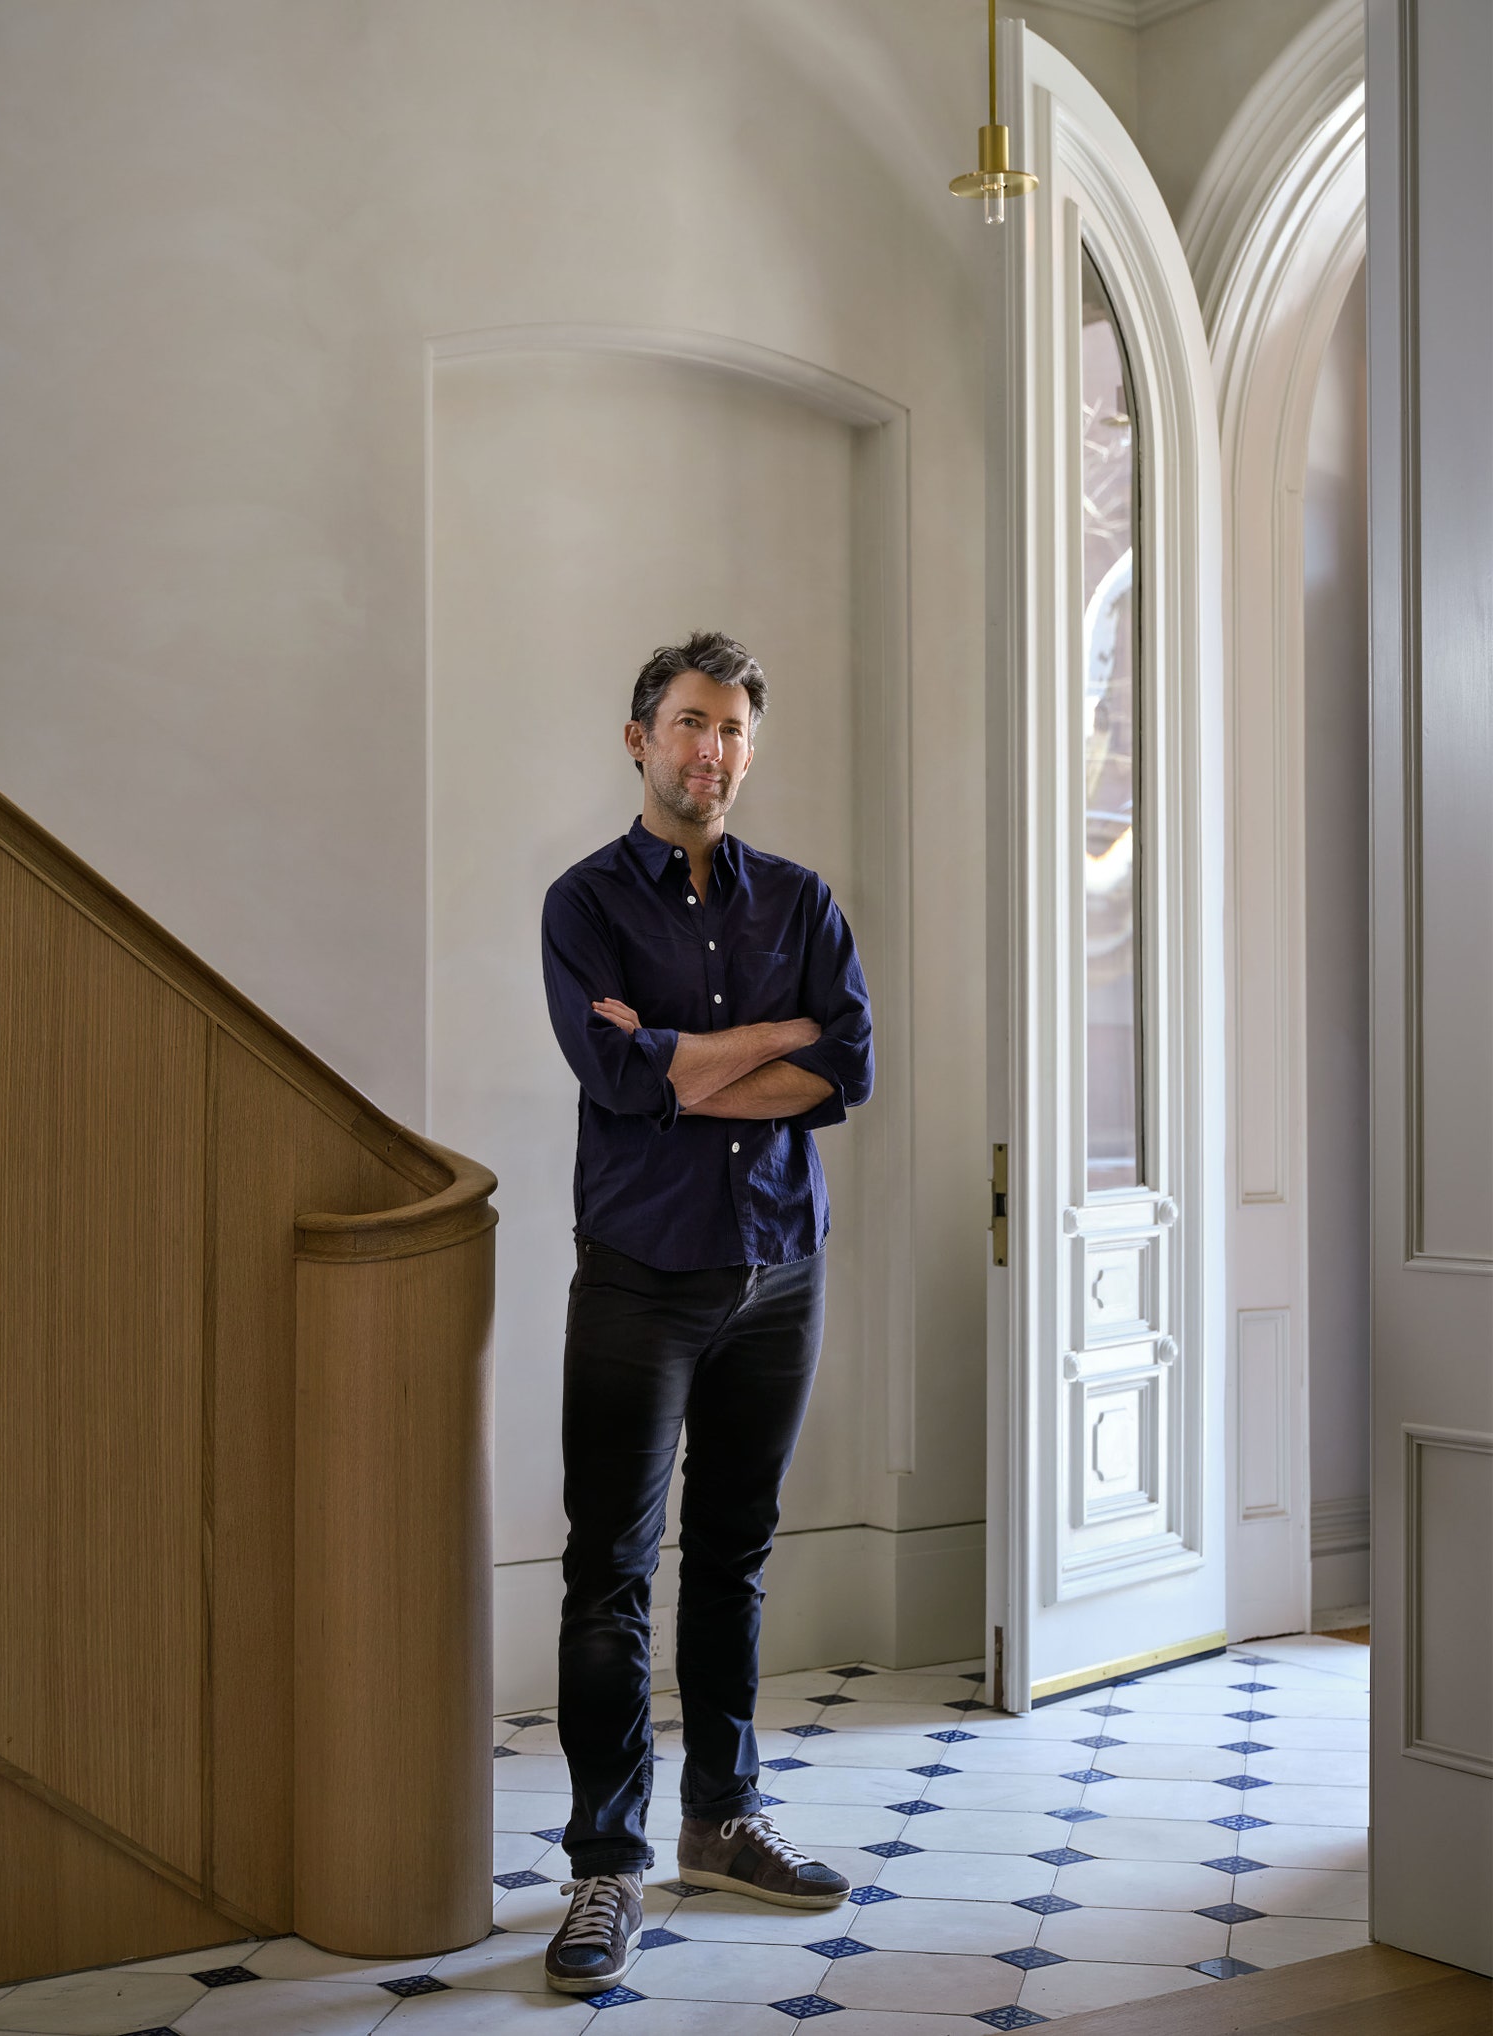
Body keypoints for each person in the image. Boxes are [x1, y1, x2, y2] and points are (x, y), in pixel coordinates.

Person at [537, 630, 874, 1994]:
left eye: (732, 729)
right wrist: (752, 1045)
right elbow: (618, 1084)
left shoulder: (802, 901)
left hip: (780, 1267)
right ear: (639, 738)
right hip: (639, 1272)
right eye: (688, 723)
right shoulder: (583, 905)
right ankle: (604, 1869)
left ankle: (721, 1822)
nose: (711, 752)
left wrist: (685, 1059)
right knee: (611, 1572)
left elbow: (846, 1065)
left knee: (733, 1554)